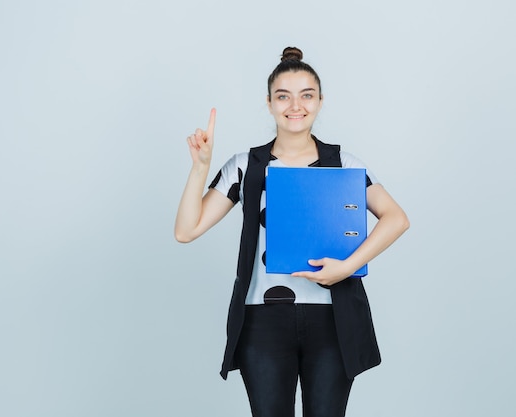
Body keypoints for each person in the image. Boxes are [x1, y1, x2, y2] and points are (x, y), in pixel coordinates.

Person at [174, 46, 410, 417]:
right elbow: (186, 230)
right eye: (283, 96)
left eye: (306, 95)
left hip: (333, 320)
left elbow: (396, 218)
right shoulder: (246, 167)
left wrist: (346, 268)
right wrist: (200, 168)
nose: (295, 106)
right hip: (262, 322)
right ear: (269, 103)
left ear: (319, 101)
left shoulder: (343, 164)